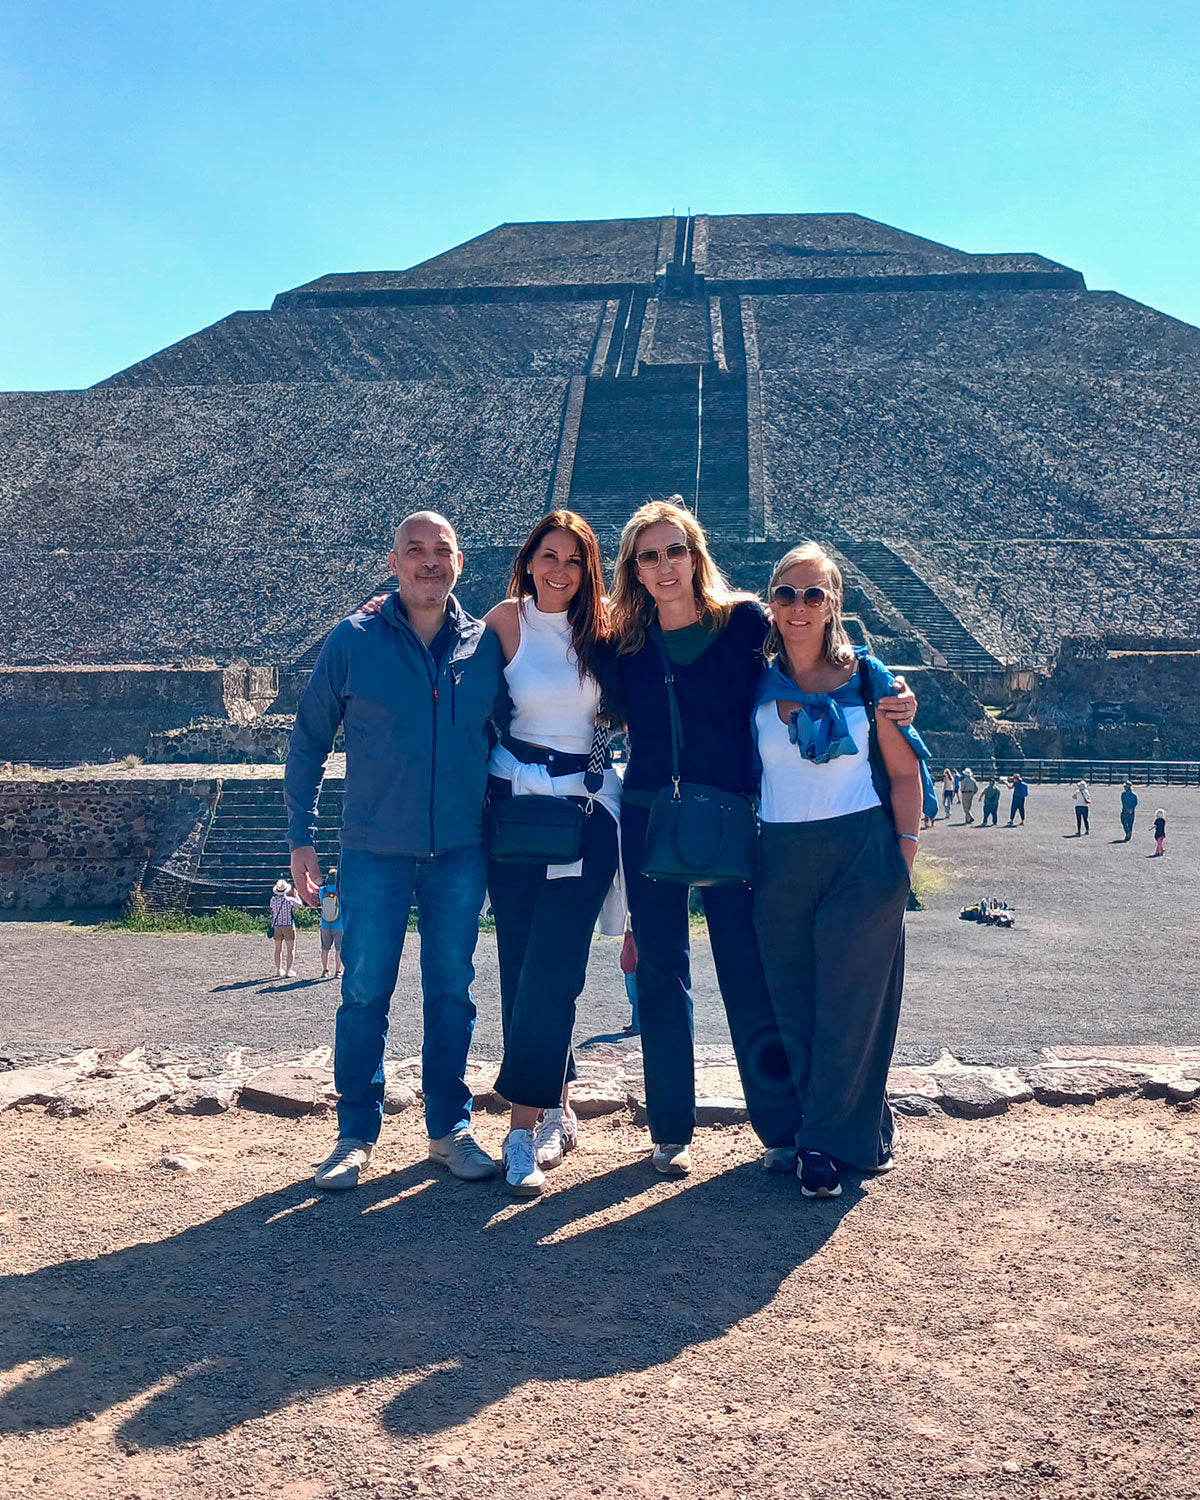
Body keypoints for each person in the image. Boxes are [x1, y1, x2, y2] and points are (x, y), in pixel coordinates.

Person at [610, 498, 918, 1176]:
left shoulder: (745, 622)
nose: (665, 565)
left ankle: (780, 1125)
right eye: (649, 555)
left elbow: (818, 656)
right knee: (661, 971)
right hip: (650, 814)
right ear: (634, 567)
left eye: (676, 550)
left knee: (744, 968)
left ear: (696, 555)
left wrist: (885, 687)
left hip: (729, 815)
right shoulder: (622, 643)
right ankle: (671, 1129)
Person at [285, 511, 505, 1191]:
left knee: (452, 994)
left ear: (460, 563)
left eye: (442, 551)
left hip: (461, 849)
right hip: (375, 849)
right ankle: (355, 1134)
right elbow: (308, 739)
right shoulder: (352, 639)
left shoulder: (487, 644)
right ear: (393, 561)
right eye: (416, 551)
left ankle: (449, 1129)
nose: (429, 561)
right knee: (363, 993)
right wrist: (301, 838)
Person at [752, 543, 927, 1198]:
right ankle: (838, 1130)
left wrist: (901, 863)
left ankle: (823, 1147)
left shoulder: (867, 680)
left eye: (813, 594)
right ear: (771, 603)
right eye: (787, 594)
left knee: (852, 1006)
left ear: (833, 605)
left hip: (861, 854)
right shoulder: (756, 683)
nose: (799, 607)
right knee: (795, 1002)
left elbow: (905, 772)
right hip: (782, 858)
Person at [482, 511, 623, 1198]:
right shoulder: (504, 621)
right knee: (520, 965)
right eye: (548, 555)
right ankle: (558, 1109)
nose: (559, 570)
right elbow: (450, 672)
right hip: (513, 809)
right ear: (529, 558)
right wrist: (384, 608)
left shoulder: (612, 624)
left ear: (589, 566)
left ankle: (518, 1129)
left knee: (556, 965)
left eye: (573, 559)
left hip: (585, 810)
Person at [269, 878, 303, 978]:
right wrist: (296, 895)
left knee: (278, 949)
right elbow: (300, 905)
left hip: (277, 926)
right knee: (290, 949)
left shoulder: (273, 900)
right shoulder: (289, 900)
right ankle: (288, 970)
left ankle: (278, 969)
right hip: (288, 925)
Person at [317, 864, 343, 979]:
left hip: (325, 923)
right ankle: (337, 971)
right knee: (339, 949)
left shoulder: (322, 890)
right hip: (339, 923)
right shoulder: (341, 891)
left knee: (325, 948)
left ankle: (325, 970)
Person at [620, 918, 640, 1034]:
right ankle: (635, 1023)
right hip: (629, 972)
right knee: (633, 999)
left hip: (633, 972)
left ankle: (637, 1026)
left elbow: (637, 956)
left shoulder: (633, 939)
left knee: (635, 1000)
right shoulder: (628, 937)